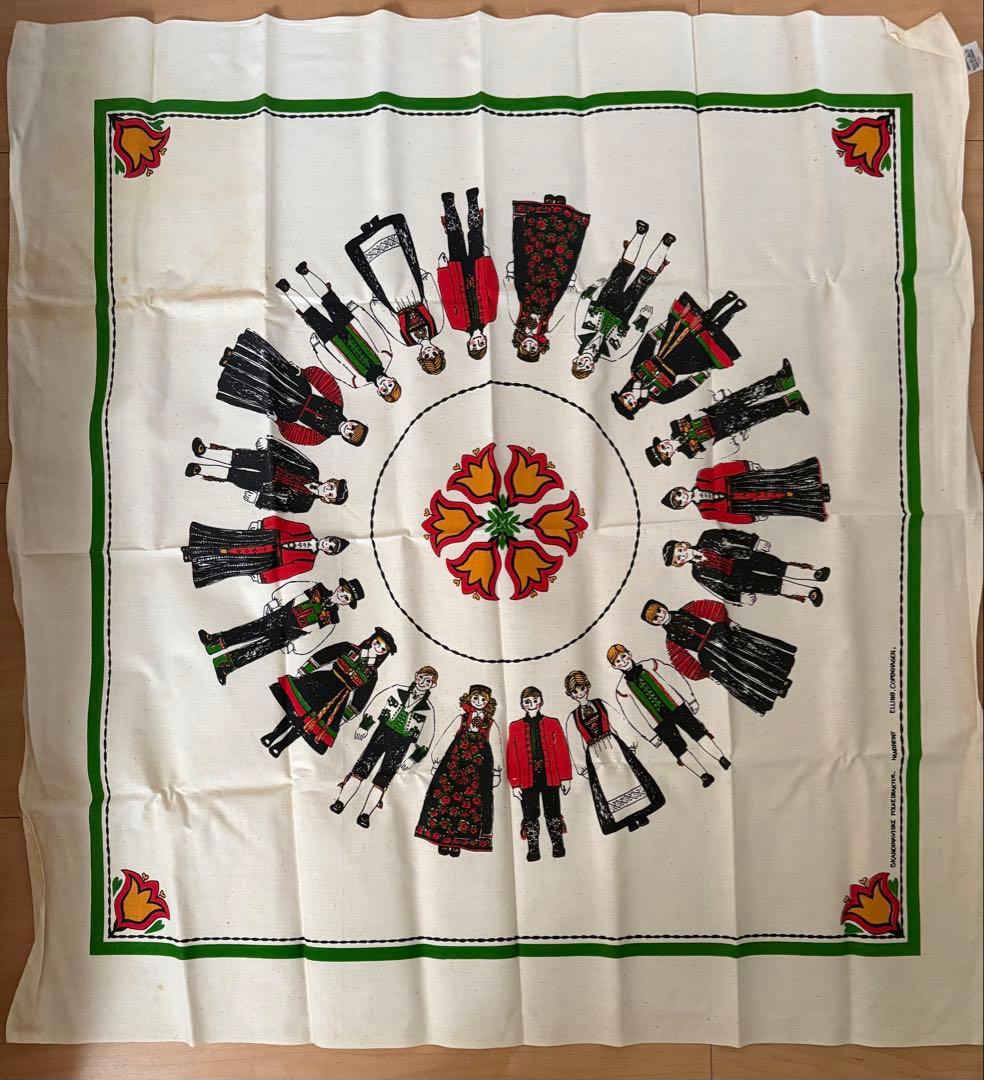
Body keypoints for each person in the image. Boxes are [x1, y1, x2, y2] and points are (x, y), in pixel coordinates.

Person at [641, 598, 796, 716]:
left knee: (754, 655)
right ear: (654, 624)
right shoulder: (670, 640)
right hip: (710, 654)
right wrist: (706, 673)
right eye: (655, 618)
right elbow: (682, 662)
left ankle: (780, 677)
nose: (660, 616)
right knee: (741, 672)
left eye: (659, 610)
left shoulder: (688, 609)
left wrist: (728, 622)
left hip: (720, 634)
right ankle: (771, 690)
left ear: (663, 606)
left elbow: (712, 608)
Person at [216, 329, 368, 447]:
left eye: (350, 435)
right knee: (270, 369)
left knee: (258, 386)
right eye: (354, 427)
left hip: (287, 410)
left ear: (346, 439)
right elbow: (325, 381)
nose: (349, 429)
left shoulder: (320, 436)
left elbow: (295, 434)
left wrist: (278, 421)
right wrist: (303, 372)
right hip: (298, 389)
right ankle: (239, 353)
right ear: (354, 421)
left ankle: (230, 367)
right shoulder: (337, 403)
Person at [262, 626, 397, 757]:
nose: (378, 648)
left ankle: (280, 746)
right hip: (322, 682)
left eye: (383, 648)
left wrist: (346, 715)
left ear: (384, 653)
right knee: (296, 710)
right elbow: (324, 655)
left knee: (309, 724)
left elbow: (361, 697)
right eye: (378, 643)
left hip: (338, 699)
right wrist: (305, 669)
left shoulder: (372, 674)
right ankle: (273, 735)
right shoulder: (349, 648)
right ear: (372, 639)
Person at [199, 577, 363, 685]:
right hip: (282, 614)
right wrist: (276, 601)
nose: (342, 595)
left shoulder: (333, 618)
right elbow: (293, 590)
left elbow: (317, 636)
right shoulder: (319, 588)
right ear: (339, 587)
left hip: (292, 633)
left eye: (346, 597)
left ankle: (224, 666)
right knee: (250, 629)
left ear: (347, 603)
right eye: (343, 590)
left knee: (258, 649)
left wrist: (296, 647)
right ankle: (214, 641)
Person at [607, 644, 729, 788]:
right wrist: (650, 736)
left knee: (698, 733)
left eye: (623, 656)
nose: (623, 661)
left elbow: (675, 678)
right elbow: (633, 716)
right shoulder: (622, 689)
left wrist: (690, 699)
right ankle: (704, 775)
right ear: (614, 666)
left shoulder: (651, 664)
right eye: (618, 661)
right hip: (658, 722)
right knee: (678, 749)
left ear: (629, 653)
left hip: (677, 707)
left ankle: (721, 758)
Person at [331, 666, 438, 829]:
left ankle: (365, 814)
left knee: (384, 778)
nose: (423, 682)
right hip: (382, 733)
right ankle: (340, 802)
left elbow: (426, 737)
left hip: (402, 744)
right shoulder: (397, 690)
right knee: (362, 767)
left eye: (428, 681)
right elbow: (376, 704)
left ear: (432, 685)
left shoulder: (428, 709)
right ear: (416, 676)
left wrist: (414, 758)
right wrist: (365, 726)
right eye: (421, 677)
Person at [275, 264, 401, 402]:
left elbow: (334, 367)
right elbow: (376, 331)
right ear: (393, 379)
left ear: (379, 392)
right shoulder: (386, 356)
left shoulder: (356, 382)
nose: (385, 384)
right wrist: (357, 310)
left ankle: (287, 290)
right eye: (390, 385)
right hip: (349, 325)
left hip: (332, 340)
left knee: (310, 315)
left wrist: (318, 347)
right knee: (330, 299)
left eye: (384, 390)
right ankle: (306, 273)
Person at [610, 289, 746, 416]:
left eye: (624, 398)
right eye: (630, 404)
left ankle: (725, 300)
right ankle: (734, 309)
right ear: (636, 406)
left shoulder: (635, 371)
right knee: (710, 334)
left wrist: (662, 329)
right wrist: (703, 374)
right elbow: (683, 388)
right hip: (686, 362)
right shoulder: (660, 397)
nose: (629, 398)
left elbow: (646, 347)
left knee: (701, 321)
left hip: (669, 346)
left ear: (623, 392)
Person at [645, 361, 806, 467]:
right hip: (726, 427)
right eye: (665, 453)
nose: (666, 448)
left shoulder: (674, 426)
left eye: (662, 446)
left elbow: (696, 412)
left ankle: (783, 380)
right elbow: (711, 445)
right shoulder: (689, 453)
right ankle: (793, 401)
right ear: (670, 456)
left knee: (749, 393)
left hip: (718, 410)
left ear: (662, 441)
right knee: (759, 413)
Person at [563, 669, 666, 832]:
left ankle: (641, 813)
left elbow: (619, 721)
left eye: (582, 688)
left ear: (587, 686)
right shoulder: (573, 717)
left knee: (628, 777)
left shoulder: (601, 704)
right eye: (575, 691)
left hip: (614, 746)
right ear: (571, 694)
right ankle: (628, 820)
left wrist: (630, 742)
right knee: (610, 787)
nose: (580, 693)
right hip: (595, 753)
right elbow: (574, 742)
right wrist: (581, 766)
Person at [345, 213, 446, 373]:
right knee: (399, 258)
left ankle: (367, 235)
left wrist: (377, 304)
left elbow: (389, 323)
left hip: (393, 299)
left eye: (427, 357)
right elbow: (434, 301)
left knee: (379, 269)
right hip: (413, 289)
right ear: (439, 350)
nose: (429, 352)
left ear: (421, 357)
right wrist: (425, 279)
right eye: (434, 354)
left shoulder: (406, 340)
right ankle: (379, 226)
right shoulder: (437, 327)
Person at [571, 223, 673, 378]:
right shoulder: (611, 354)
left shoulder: (579, 334)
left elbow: (582, 308)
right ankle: (666, 244)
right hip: (624, 312)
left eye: (580, 363)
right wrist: (642, 319)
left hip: (604, 301)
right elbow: (632, 340)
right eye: (587, 366)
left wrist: (593, 288)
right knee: (644, 279)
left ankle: (640, 233)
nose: (585, 361)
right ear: (592, 368)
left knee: (622, 269)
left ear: (576, 359)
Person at [415, 684, 501, 857]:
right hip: (454, 765)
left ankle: (458, 842)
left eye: (483, 699)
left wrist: (497, 771)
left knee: (471, 805)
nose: (478, 701)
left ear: (488, 702)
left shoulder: (491, 723)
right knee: (446, 800)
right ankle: (443, 839)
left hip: (478, 770)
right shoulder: (461, 718)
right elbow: (446, 736)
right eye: (475, 698)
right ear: (469, 698)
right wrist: (436, 760)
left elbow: (497, 748)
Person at [509, 194, 590, 362]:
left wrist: (510, 276)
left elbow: (509, 297)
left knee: (533, 249)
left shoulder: (517, 321)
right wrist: (571, 286)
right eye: (533, 349)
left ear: (520, 344)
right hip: (553, 288)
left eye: (525, 347)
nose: (529, 345)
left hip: (529, 283)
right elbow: (564, 309)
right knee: (561, 255)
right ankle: (563, 217)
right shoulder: (547, 327)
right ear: (540, 347)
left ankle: (546, 212)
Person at [185, 435, 347, 514]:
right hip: (270, 462)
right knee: (239, 457)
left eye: (330, 494)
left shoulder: (304, 505)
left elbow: (280, 505)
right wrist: (270, 444)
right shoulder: (313, 470)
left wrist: (258, 500)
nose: (328, 489)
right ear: (330, 481)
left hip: (265, 485)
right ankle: (205, 452)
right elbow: (292, 454)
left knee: (234, 476)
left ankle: (200, 469)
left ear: (327, 500)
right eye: (332, 486)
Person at [664, 532, 829, 607]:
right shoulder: (698, 573)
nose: (682, 555)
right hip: (739, 580)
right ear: (679, 564)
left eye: (679, 550)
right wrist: (739, 597)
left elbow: (732, 535)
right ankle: (809, 592)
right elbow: (718, 589)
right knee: (773, 585)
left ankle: (814, 574)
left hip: (745, 557)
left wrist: (753, 542)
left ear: (684, 544)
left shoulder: (706, 537)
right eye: (678, 559)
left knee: (778, 567)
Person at [181, 516, 347, 588]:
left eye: (330, 547)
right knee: (229, 540)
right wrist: (262, 524)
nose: (327, 544)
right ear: (328, 536)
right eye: (330, 540)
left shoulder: (308, 563)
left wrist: (263, 577)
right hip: (263, 538)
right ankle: (196, 544)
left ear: (328, 552)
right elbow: (282, 522)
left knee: (232, 563)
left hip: (266, 560)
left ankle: (201, 566)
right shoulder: (305, 529)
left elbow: (284, 572)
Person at [505, 686, 573, 862]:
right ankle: (533, 848)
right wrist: (515, 783)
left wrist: (566, 777)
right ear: (522, 704)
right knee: (530, 815)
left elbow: (562, 751)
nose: (532, 704)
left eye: (535, 700)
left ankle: (558, 845)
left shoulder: (553, 723)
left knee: (553, 812)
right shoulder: (515, 726)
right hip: (527, 779)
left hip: (550, 777)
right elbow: (512, 756)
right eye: (527, 701)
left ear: (541, 702)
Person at [661, 457, 831, 524]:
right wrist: (751, 518)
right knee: (780, 504)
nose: (683, 497)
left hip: (742, 482)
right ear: (683, 506)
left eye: (678, 494)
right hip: (744, 505)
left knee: (779, 480)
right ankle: (816, 499)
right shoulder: (704, 512)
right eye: (680, 502)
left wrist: (746, 466)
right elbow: (728, 518)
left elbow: (722, 469)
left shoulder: (702, 477)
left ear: (680, 489)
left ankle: (813, 482)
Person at [437, 188, 499, 359]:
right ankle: (473, 202)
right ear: (485, 340)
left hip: (457, 272)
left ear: (469, 344)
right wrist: (488, 260)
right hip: (478, 269)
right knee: (476, 235)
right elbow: (493, 288)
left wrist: (442, 270)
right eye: (481, 344)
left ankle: (448, 204)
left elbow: (447, 296)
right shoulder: (490, 317)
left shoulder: (457, 324)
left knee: (454, 238)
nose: (477, 342)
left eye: (474, 346)